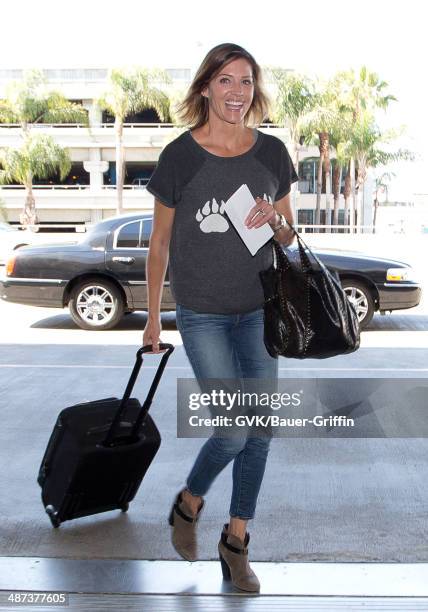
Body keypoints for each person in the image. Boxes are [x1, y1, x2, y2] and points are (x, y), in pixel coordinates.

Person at [143, 42, 299, 592]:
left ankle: (236, 542)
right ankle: (189, 504)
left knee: (260, 431)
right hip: (203, 313)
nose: (238, 92)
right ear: (206, 87)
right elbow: (159, 244)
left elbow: (290, 236)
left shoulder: (273, 153)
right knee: (233, 430)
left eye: (247, 82)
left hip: (260, 312)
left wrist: (273, 221)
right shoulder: (179, 157)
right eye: (227, 81)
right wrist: (154, 317)